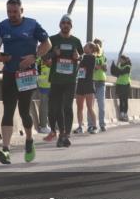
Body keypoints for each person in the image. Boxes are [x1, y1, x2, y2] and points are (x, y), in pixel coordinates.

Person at [0, 0, 51, 164]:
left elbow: (47, 44)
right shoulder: (2, 26)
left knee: (24, 110)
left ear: (22, 11)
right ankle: (5, 149)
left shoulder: (32, 24)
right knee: (8, 110)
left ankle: (30, 140)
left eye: (15, 12)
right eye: (9, 12)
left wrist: (34, 56)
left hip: (27, 75)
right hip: (9, 73)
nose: (12, 15)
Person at [48, 15, 83, 148]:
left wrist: (78, 57)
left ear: (71, 26)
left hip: (70, 80)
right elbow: (44, 57)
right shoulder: (52, 40)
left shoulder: (76, 41)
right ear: (59, 25)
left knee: (67, 107)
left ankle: (66, 135)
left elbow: (82, 57)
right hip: (56, 80)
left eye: (68, 23)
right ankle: (60, 132)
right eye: (63, 23)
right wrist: (53, 54)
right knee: (54, 109)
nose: (66, 25)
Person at [75, 43, 97, 135]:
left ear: (91, 49)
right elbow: (78, 68)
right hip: (80, 83)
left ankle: (94, 126)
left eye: (86, 46)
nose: (84, 47)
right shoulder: (83, 57)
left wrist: (78, 58)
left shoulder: (91, 58)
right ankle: (80, 126)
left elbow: (82, 62)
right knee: (79, 107)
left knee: (89, 107)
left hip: (88, 84)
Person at [92, 38, 108, 132]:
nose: (98, 46)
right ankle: (91, 125)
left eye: (99, 45)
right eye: (96, 44)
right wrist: (96, 67)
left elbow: (105, 68)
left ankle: (102, 124)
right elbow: (90, 68)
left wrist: (101, 67)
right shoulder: (90, 55)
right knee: (91, 106)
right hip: (92, 81)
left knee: (101, 105)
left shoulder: (103, 56)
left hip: (101, 82)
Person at [111, 54, 132, 122]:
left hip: (125, 85)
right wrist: (113, 69)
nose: (120, 61)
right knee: (120, 99)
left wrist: (115, 68)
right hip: (119, 84)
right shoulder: (120, 66)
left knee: (125, 100)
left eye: (121, 59)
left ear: (124, 60)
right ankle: (121, 113)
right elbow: (117, 73)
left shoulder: (128, 67)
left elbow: (121, 72)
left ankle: (125, 114)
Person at [36, 53, 53, 135]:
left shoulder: (40, 58)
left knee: (49, 106)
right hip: (44, 85)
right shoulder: (41, 59)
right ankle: (43, 126)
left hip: (49, 85)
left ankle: (49, 125)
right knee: (44, 106)